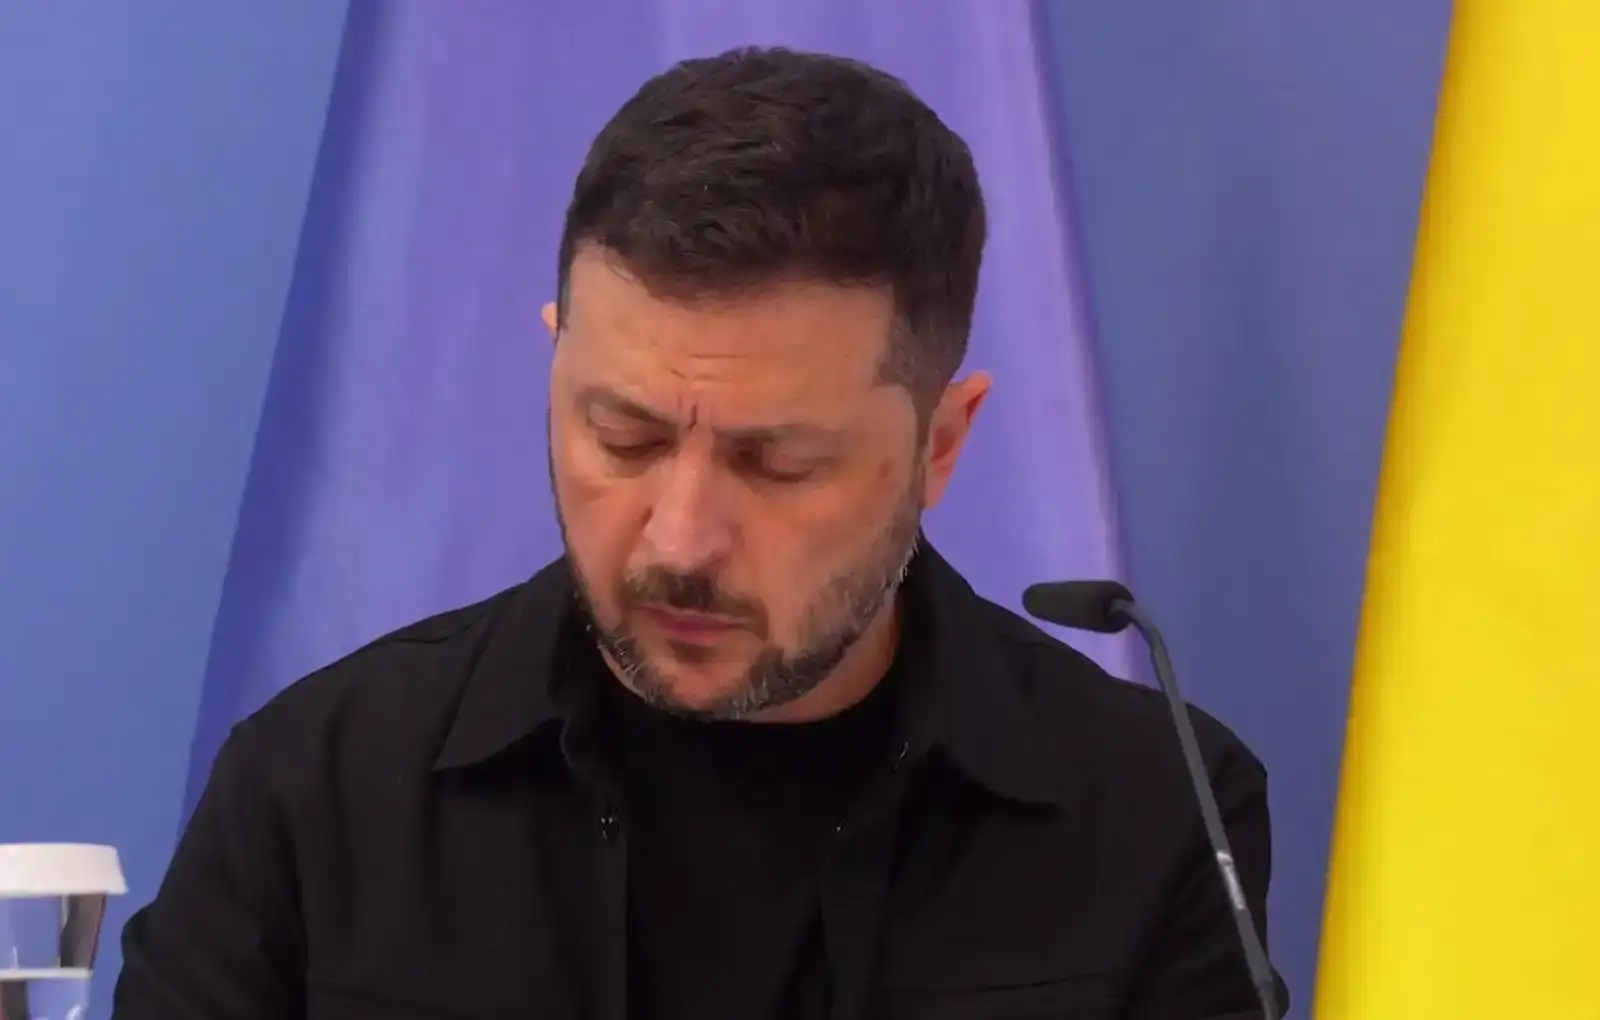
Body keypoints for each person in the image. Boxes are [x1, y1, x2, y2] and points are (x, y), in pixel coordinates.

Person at [111, 46, 1288, 1020]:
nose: (677, 541)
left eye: (776, 464)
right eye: (620, 437)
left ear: (942, 442)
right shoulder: (318, 789)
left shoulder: (1153, 816)